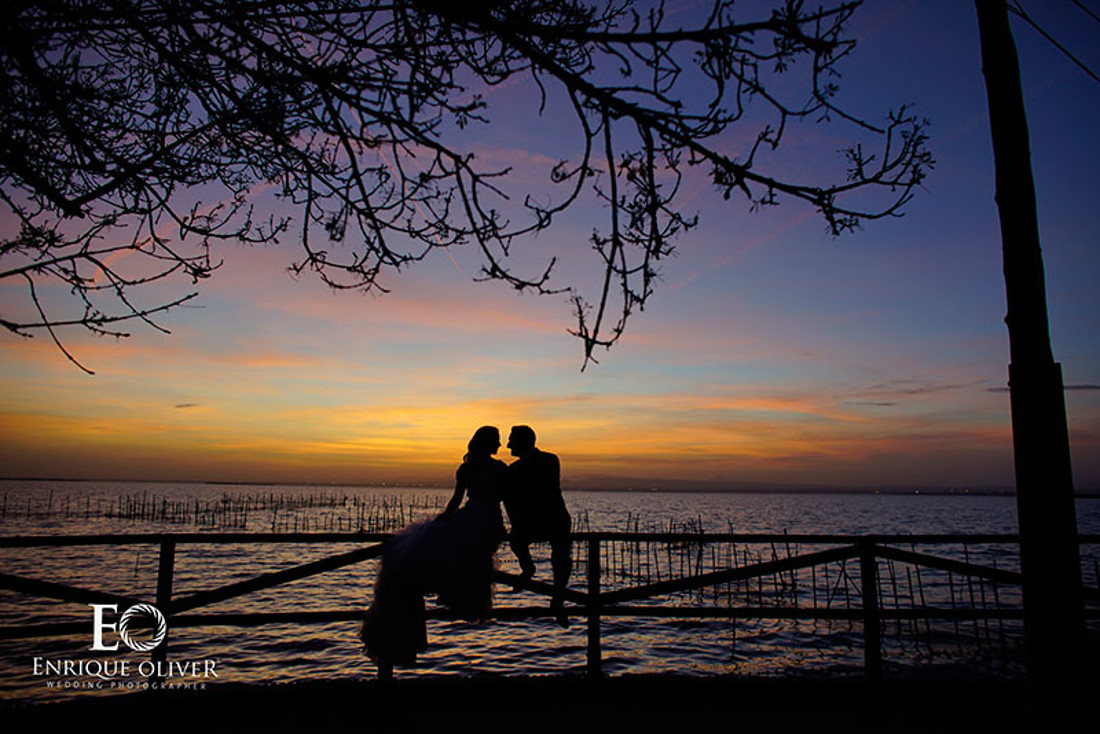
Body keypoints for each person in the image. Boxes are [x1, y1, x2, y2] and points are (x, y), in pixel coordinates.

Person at [360, 426, 507, 676]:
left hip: (480, 519)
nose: (500, 445)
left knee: (447, 546)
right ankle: (451, 591)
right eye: (497, 441)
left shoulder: (476, 468)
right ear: (488, 443)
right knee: (445, 544)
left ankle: (449, 591)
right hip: (484, 519)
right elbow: (469, 500)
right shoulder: (496, 468)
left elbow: (455, 502)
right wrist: (444, 520)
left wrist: (447, 518)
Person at [503, 425, 572, 628]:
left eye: (511, 440)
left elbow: (547, 492)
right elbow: (509, 501)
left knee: (561, 557)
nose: (507, 445)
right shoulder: (514, 470)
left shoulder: (548, 460)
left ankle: (558, 599)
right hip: (533, 523)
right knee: (519, 540)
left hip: (553, 520)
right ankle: (529, 569)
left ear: (523, 442)